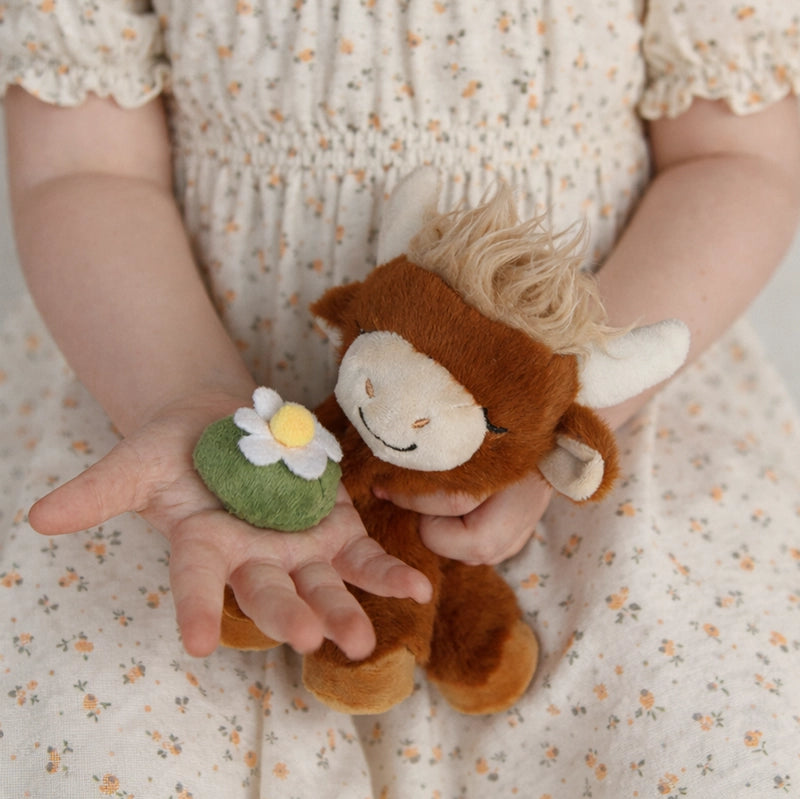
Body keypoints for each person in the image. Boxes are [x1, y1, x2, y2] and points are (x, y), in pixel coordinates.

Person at [1, 1, 799, 796]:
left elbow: (734, 156)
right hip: (164, 361)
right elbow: (83, 166)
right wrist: (179, 392)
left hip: (580, 420)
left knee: (698, 743)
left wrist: (547, 416)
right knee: (94, 742)